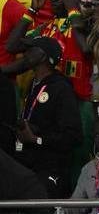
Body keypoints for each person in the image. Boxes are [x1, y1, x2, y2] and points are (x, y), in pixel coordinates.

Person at [6, 36, 82, 196]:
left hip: (51, 170)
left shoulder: (61, 88)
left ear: (42, 56)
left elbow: (73, 136)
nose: (25, 53)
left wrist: (36, 139)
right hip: (28, 165)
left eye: (31, 50)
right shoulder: (33, 84)